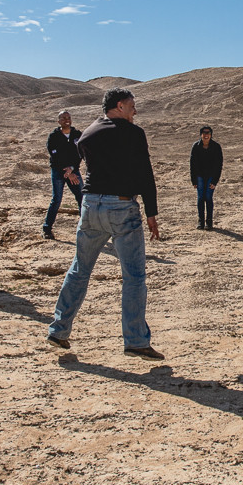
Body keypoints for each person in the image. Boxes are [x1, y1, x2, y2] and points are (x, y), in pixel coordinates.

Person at [48, 89, 164, 360]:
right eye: (133, 106)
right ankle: (135, 339)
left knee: (79, 269)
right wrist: (152, 212)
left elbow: (80, 153)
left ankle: (59, 329)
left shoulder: (89, 131)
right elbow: (145, 173)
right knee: (134, 276)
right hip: (121, 207)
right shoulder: (133, 133)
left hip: (90, 206)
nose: (135, 111)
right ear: (120, 106)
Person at [42, 109, 84, 240]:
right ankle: (47, 228)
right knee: (57, 199)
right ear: (58, 121)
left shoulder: (77, 135)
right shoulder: (53, 136)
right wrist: (66, 171)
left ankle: (86, 228)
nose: (66, 120)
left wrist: (72, 169)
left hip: (73, 170)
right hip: (58, 171)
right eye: (63, 118)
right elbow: (54, 156)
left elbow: (80, 153)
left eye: (68, 117)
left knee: (82, 197)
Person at [189, 125, 223, 230]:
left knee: (208, 197)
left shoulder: (216, 147)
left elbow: (219, 165)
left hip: (211, 176)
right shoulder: (196, 146)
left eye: (208, 133)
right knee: (200, 198)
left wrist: (215, 180)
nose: (206, 135)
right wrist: (193, 180)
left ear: (211, 135)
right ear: (201, 135)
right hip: (199, 176)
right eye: (204, 133)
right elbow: (192, 164)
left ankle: (209, 222)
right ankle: (201, 222)